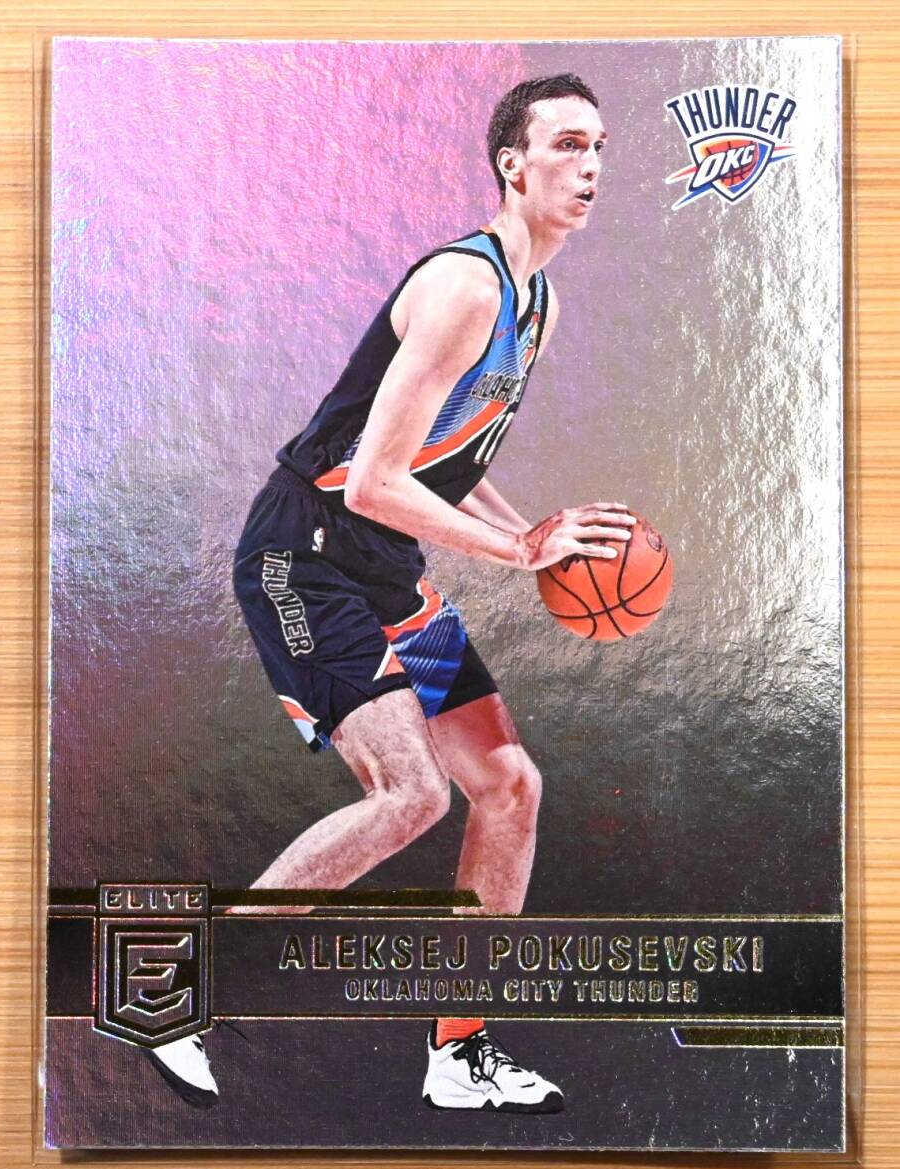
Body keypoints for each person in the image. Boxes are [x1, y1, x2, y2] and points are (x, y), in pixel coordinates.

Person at [145, 72, 634, 1113]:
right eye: (567, 145)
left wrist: (530, 537)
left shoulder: (539, 303)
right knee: (412, 792)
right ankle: (182, 992)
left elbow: (442, 459)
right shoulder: (465, 286)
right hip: (306, 556)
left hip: (384, 569)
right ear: (512, 164)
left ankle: (459, 1053)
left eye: (599, 146)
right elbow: (371, 479)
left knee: (509, 785)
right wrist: (519, 555)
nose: (590, 165)